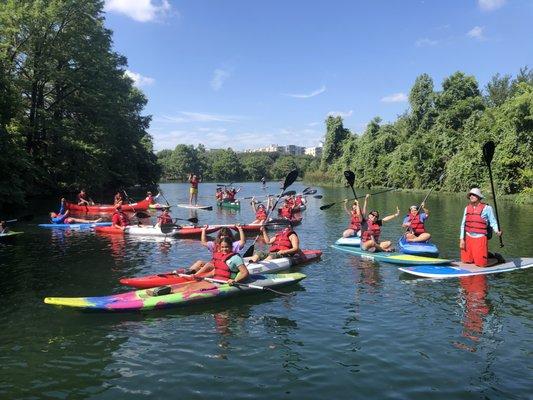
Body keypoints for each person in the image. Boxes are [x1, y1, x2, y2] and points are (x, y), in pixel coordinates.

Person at [459, 188, 502, 267]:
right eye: (470, 195)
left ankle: (497, 259)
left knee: (481, 264)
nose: (471, 196)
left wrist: (497, 231)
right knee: (466, 261)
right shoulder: (467, 208)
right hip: (468, 238)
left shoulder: (487, 208)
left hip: (480, 238)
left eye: (474, 195)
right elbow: (463, 225)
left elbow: (493, 222)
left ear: (479, 197)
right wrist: (462, 239)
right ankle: (486, 254)